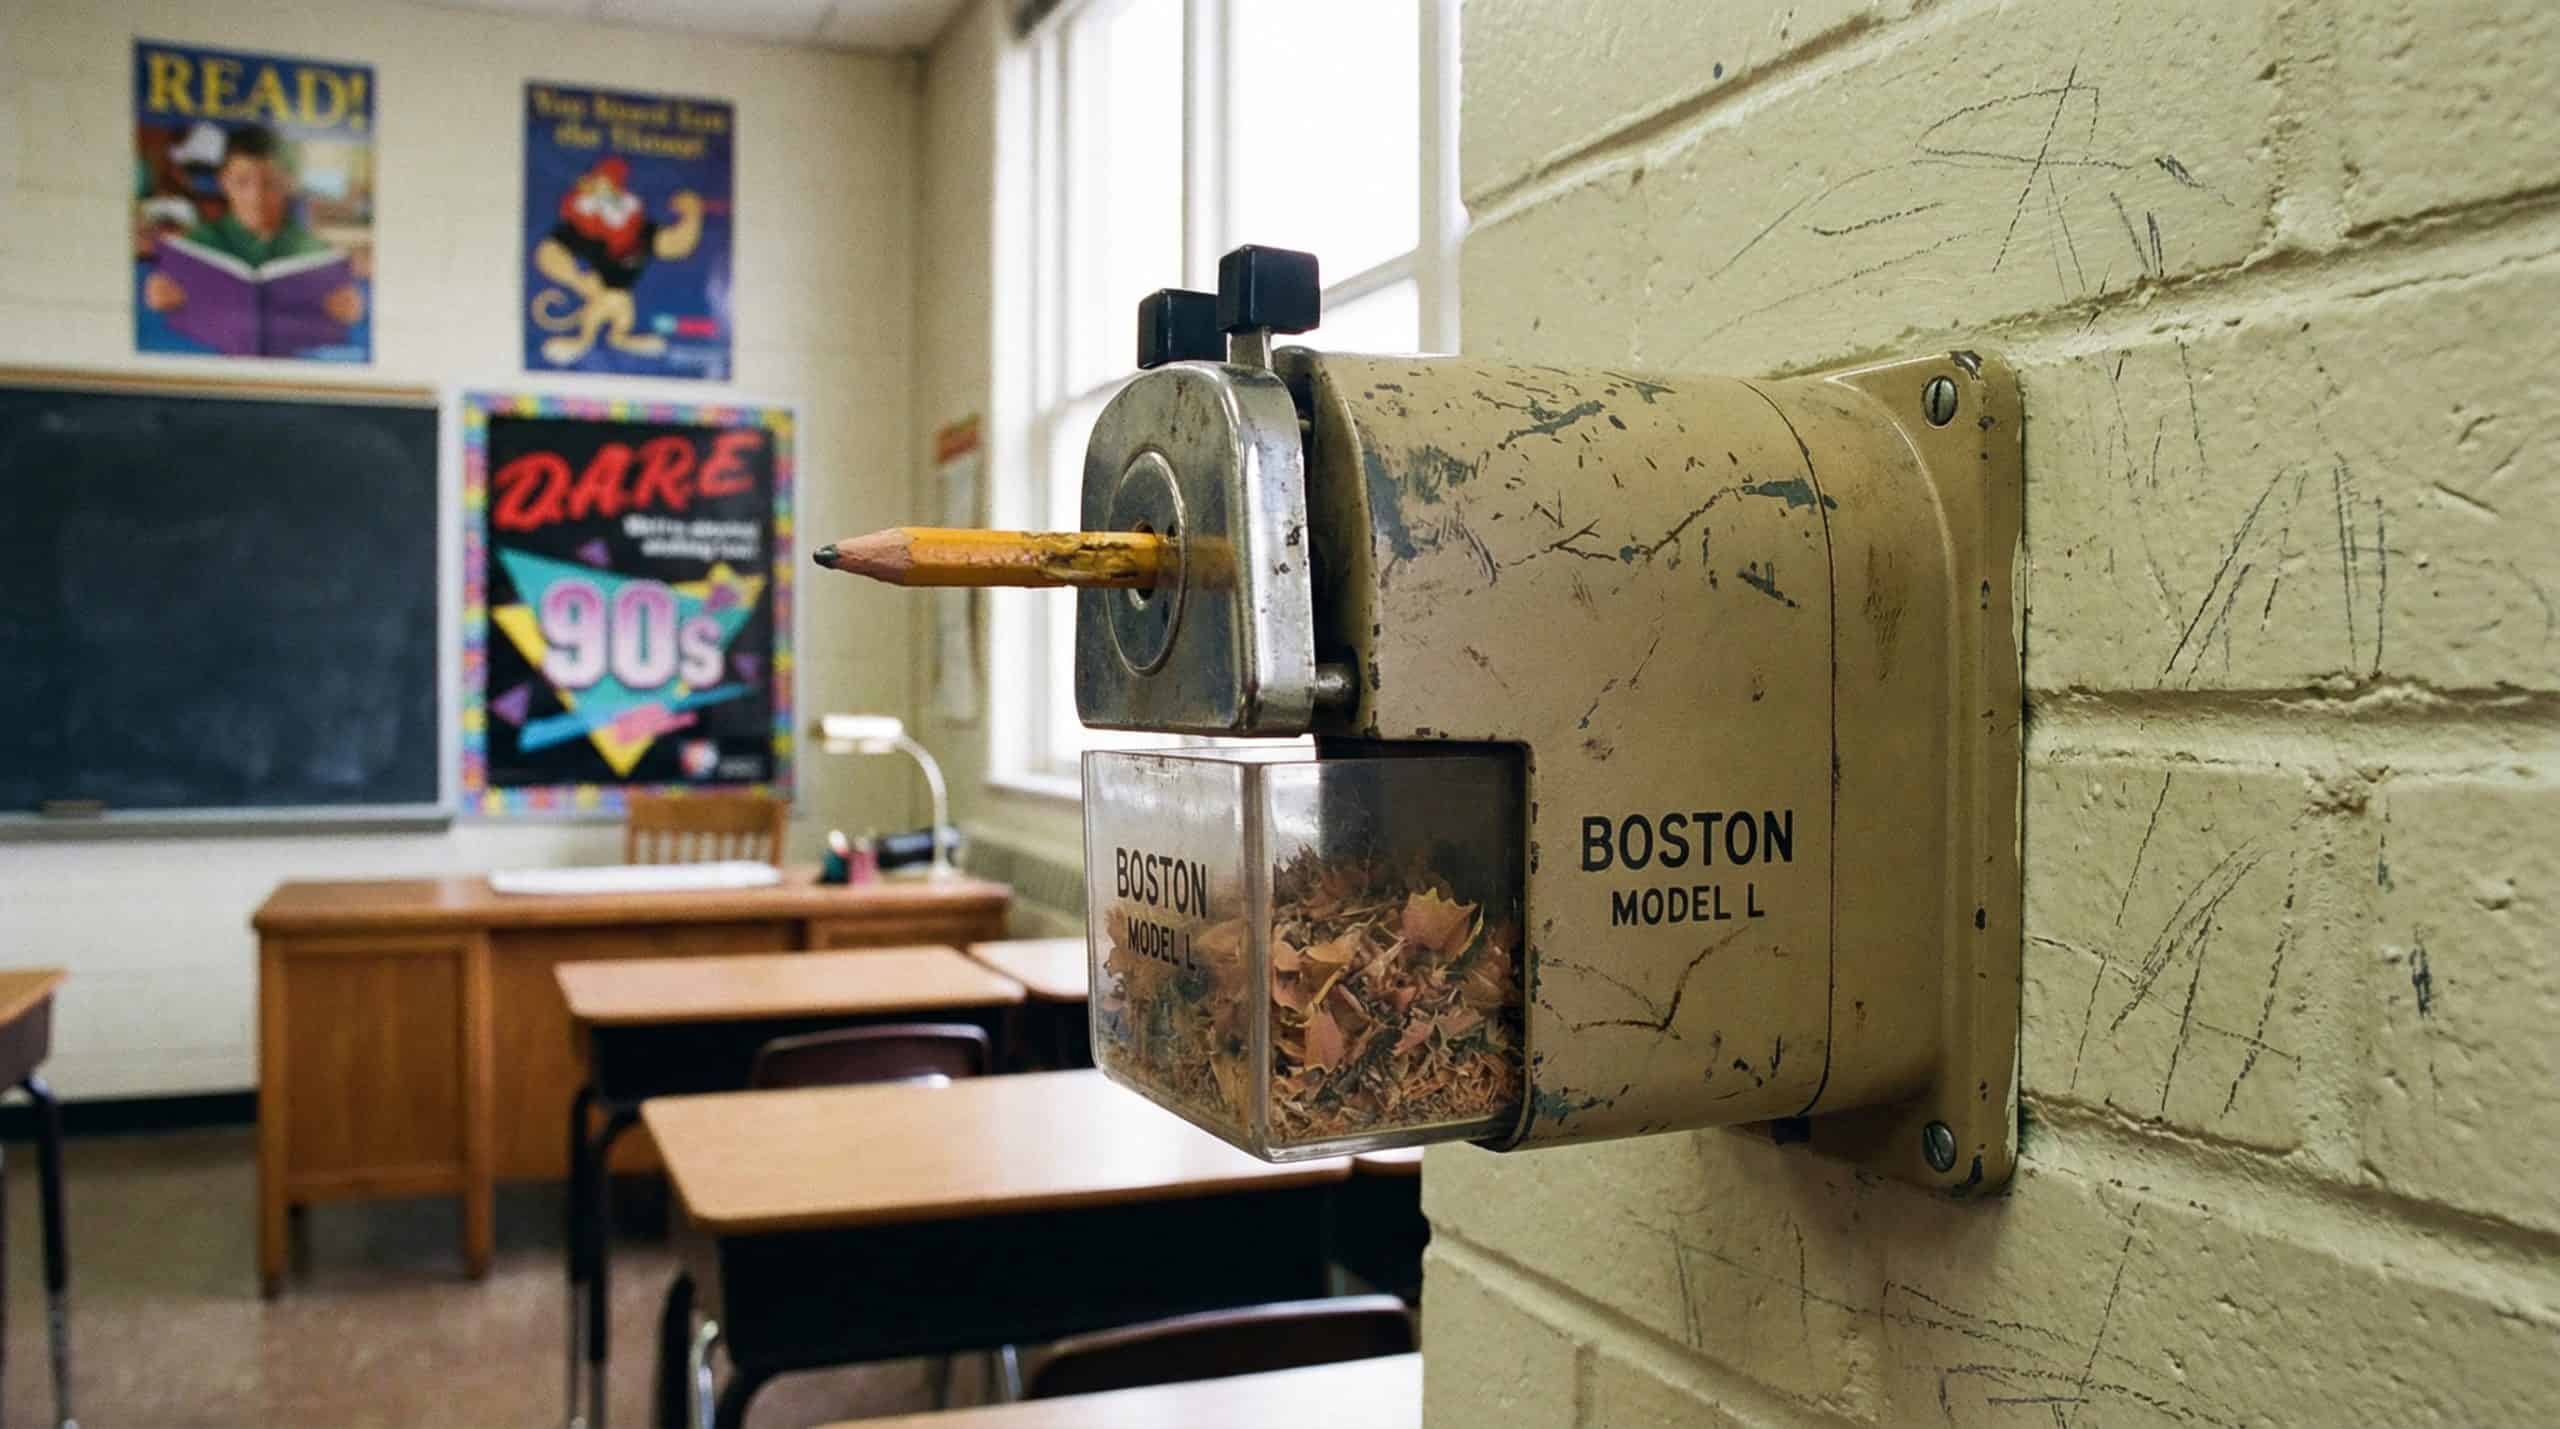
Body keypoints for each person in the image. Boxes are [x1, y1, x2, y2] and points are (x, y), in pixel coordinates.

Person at [141, 125, 364, 326]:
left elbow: (344, 300)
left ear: (288, 183)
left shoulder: (313, 248)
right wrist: (162, 291)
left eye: (269, 183)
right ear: (223, 182)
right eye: (241, 181)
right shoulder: (199, 241)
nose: (256, 196)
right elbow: (163, 287)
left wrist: (345, 305)